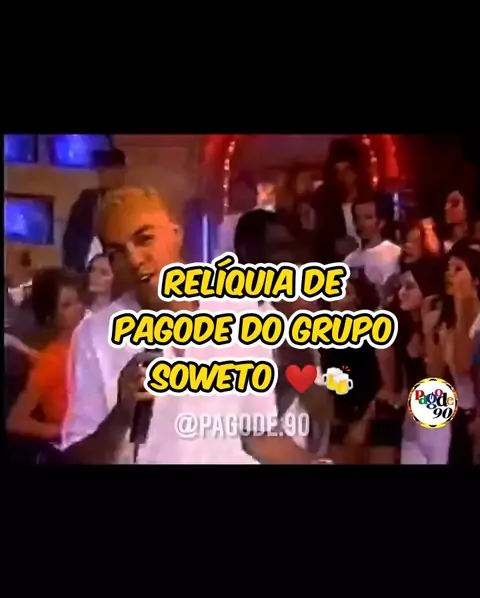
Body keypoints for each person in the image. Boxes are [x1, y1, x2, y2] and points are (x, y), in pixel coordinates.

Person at [62, 187, 314, 465]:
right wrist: (121, 415)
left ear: (176, 234)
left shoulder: (239, 312)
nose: (134, 260)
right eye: (116, 253)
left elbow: (260, 435)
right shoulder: (94, 336)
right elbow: (76, 459)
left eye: (145, 239)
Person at [6, 268, 85, 463]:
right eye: (67, 305)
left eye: (78, 300)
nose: (78, 308)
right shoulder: (51, 361)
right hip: (71, 451)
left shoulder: (89, 345)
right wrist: (59, 430)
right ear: (51, 316)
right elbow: (15, 421)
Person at [62, 149, 126, 272]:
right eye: (100, 171)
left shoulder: (131, 201)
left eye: (106, 170)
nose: (101, 175)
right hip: (87, 268)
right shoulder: (88, 200)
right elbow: (72, 239)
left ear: (121, 171)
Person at [344, 195, 401, 288]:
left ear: (381, 222)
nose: (361, 223)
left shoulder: (396, 255)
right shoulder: (350, 261)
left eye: (368, 217)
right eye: (357, 218)